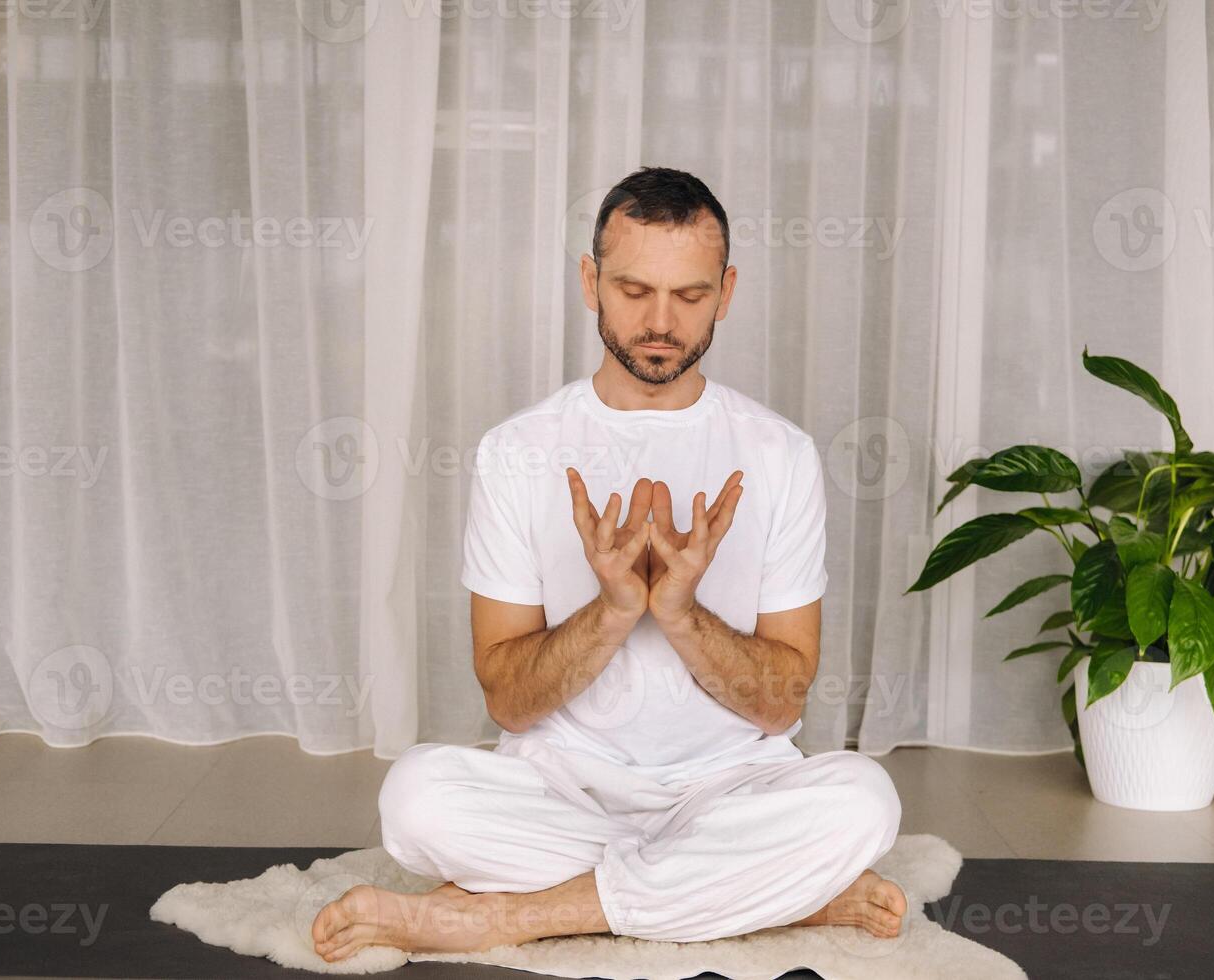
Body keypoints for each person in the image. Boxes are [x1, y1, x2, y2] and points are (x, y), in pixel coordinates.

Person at [312, 167, 905, 963]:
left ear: (727, 292)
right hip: (563, 787)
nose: (660, 322)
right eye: (633, 290)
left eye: (690, 297)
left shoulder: (781, 455)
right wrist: (617, 607)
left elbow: (780, 704)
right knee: (415, 798)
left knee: (864, 803)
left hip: (729, 789)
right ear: (590, 281)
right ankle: (773, 893)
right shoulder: (517, 452)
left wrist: (682, 614)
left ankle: (515, 916)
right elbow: (509, 701)